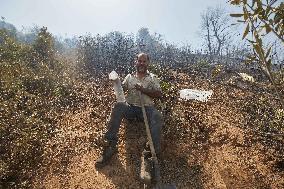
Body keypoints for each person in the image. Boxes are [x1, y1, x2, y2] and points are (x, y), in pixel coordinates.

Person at [95, 53, 164, 184]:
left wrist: (143, 90)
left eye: (144, 61)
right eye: (140, 61)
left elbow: (159, 94)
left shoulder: (153, 78)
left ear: (148, 63)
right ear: (136, 62)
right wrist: (115, 82)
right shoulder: (130, 77)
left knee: (157, 116)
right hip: (131, 108)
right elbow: (121, 91)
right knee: (119, 106)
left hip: (147, 109)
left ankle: (148, 157)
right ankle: (110, 146)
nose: (142, 63)